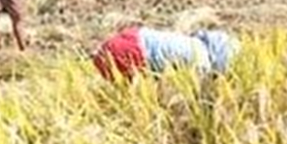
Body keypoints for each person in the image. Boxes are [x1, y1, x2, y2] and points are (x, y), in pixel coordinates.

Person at [92, 26, 239, 82]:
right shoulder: (201, 64)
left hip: (134, 36)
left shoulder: (194, 44)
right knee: (133, 97)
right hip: (134, 53)